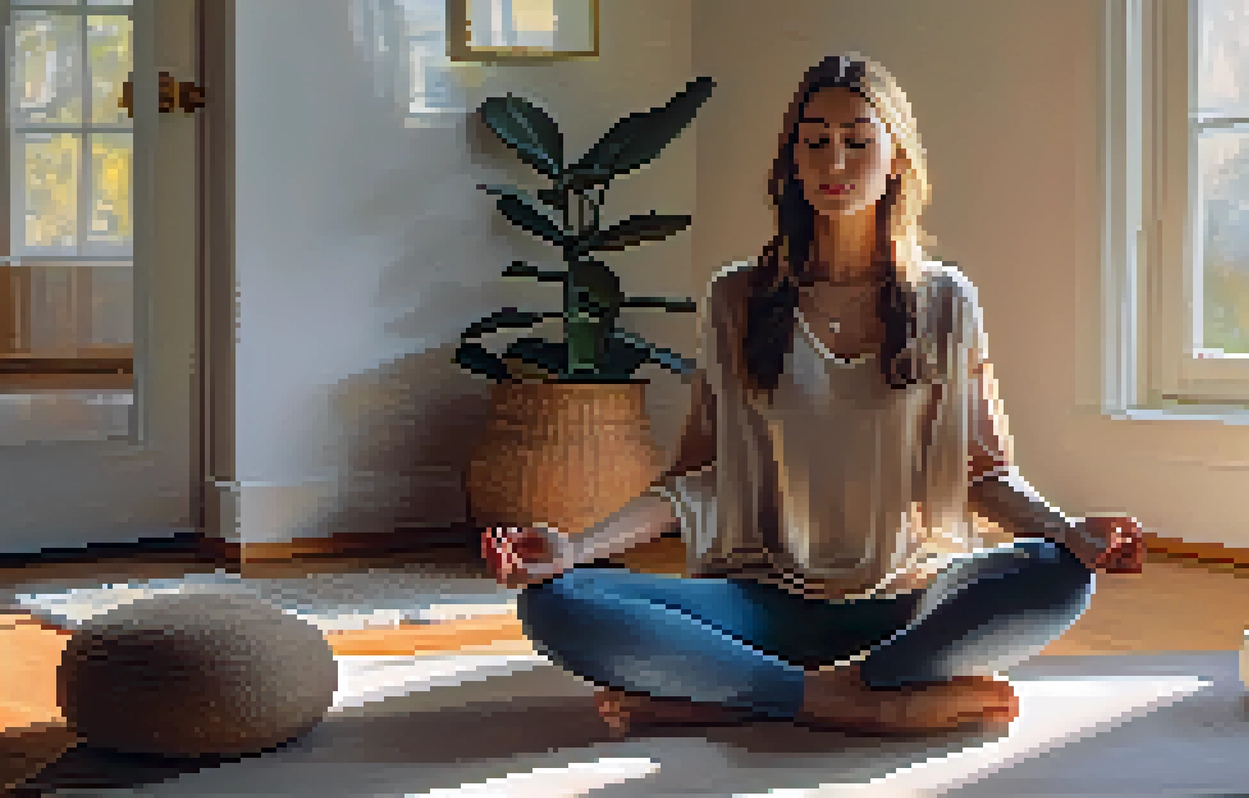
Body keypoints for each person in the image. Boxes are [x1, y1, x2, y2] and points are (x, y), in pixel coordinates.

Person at [482, 52, 1146, 739]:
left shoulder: (947, 300)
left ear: (895, 159)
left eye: (858, 142)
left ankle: (734, 695)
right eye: (815, 141)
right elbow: (695, 480)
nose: (834, 162)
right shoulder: (737, 297)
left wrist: (1071, 532)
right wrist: (574, 548)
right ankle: (858, 700)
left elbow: (984, 472)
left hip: (908, 601)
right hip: (762, 603)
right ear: (791, 160)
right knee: (558, 603)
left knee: (1057, 574)